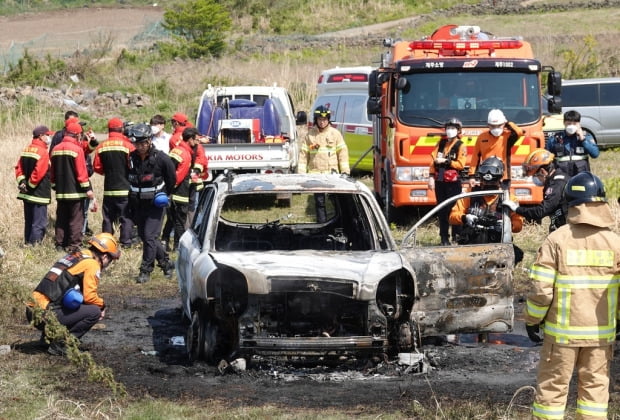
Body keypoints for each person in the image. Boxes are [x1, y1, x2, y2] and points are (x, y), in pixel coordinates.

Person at [525, 172, 620, 419]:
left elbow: (541, 290)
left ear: (569, 204)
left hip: (561, 337)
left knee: (552, 392)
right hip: (600, 336)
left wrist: (533, 320)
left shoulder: (556, 240)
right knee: (595, 393)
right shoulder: (615, 243)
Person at [28, 232, 120, 355]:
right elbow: (90, 297)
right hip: (44, 314)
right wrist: (102, 305)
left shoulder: (75, 256)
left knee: (73, 299)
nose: (109, 264)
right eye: (111, 260)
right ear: (104, 257)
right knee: (94, 312)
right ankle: (62, 344)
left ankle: (48, 339)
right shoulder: (92, 264)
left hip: (32, 310)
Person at [449, 156, 524, 262]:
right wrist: (465, 218)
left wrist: (507, 225)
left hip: (497, 245)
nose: (489, 185)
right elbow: (452, 216)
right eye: (486, 182)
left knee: (517, 255)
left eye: (492, 183)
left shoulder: (508, 198)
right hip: (471, 245)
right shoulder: (470, 194)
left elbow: (519, 224)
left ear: (500, 179)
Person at [127, 123, 176, 283]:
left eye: (142, 143)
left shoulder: (162, 158)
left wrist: (164, 196)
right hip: (138, 204)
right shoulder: (131, 158)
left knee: (149, 236)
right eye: (137, 143)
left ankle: (145, 271)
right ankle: (166, 264)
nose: (139, 147)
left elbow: (171, 180)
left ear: (149, 141)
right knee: (146, 237)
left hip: (156, 204)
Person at [50, 122, 95, 252]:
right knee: (76, 220)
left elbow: (52, 172)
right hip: (76, 192)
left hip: (61, 192)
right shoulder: (77, 149)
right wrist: (88, 190)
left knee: (61, 218)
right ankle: (74, 245)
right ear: (77, 134)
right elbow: (81, 173)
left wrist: (54, 186)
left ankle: (60, 244)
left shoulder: (55, 149)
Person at [93, 118, 136, 248]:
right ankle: (125, 242)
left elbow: (97, 167)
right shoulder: (128, 145)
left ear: (109, 130)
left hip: (109, 188)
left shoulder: (101, 146)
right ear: (122, 129)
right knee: (125, 217)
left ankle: (106, 242)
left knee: (107, 218)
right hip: (125, 188)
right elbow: (133, 166)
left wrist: (108, 172)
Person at [502, 148, 569, 232]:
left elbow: (540, 211)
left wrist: (517, 209)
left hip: (567, 230)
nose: (534, 179)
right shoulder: (552, 181)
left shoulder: (558, 183)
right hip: (561, 227)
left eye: (535, 176)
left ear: (542, 171)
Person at [428, 118, 467, 245]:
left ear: (458, 130)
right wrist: (430, 177)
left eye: (453, 128)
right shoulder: (441, 143)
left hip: (453, 182)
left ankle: (457, 236)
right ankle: (444, 238)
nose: (450, 131)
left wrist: (446, 161)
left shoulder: (460, 145)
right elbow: (433, 161)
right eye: (448, 128)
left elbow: (461, 164)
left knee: (454, 209)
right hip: (440, 180)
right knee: (442, 210)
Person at [162, 127, 200, 252]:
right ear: (190, 139)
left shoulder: (175, 150)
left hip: (170, 191)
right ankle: (178, 246)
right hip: (180, 192)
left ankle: (164, 240)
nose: (198, 141)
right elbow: (179, 175)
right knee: (180, 220)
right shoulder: (186, 154)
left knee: (171, 219)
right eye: (196, 139)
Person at [15, 125, 54, 246]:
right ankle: (34, 247)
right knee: (39, 223)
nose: (49, 137)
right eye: (47, 135)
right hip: (39, 194)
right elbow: (39, 172)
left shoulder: (27, 149)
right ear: (41, 136)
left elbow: (18, 168)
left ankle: (27, 243)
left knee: (29, 221)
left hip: (26, 195)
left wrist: (22, 183)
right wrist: (30, 186)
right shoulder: (42, 152)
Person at [468, 109, 523, 188]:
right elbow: (475, 158)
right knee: (485, 199)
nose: (496, 128)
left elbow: (519, 132)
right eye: (493, 126)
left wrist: (507, 123)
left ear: (503, 124)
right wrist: (471, 176)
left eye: (499, 125)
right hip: (485, 176)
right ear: (488, 125)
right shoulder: (481, 137)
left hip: (504, 178)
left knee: (504, 199)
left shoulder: (507, 136)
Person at [297, 105, 350, 175]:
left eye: (324, 119)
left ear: (328, 119)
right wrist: (301, 173)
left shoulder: (335, 134)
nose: (322, 122)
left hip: (331, 176)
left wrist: (345, 171)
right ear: (316, 120)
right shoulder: (309, 135)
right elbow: (303, 156)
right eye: (320, 119)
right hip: (314, 176)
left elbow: (343, 154)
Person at [546, 110, 599, 177]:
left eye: (574, 124)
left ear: (579, 124)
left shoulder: (586, 136)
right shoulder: (555, 139)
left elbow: (595, 154)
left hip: (580, 173)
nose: (571, 126)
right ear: (564, 123)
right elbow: (546, 158)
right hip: (561, 174)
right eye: (569, 123)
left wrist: (582, 139)